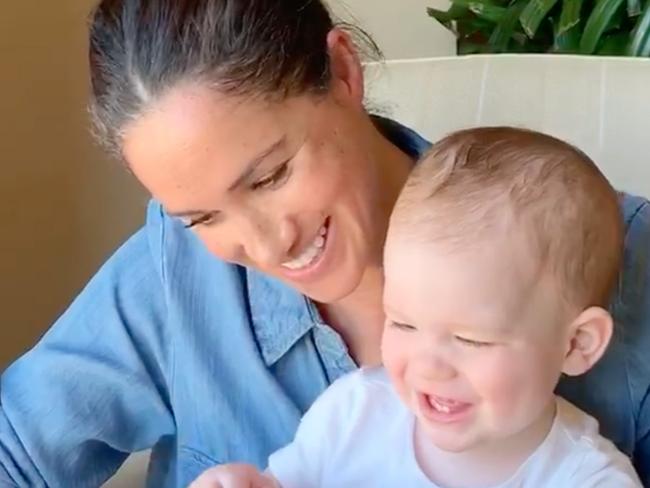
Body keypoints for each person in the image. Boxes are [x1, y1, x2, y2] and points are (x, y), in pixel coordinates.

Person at [0, 1, 649, 487]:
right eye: (201, 217)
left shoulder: (623, 261)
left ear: (342, 72)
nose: (265, 244)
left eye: (271, 175)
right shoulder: (176, 271)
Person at [189, 127, 642, 488]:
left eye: (470, 338)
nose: (428, 366)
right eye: (403, 323)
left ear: (577, 343)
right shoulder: (354, 413)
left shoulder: (587, 477)